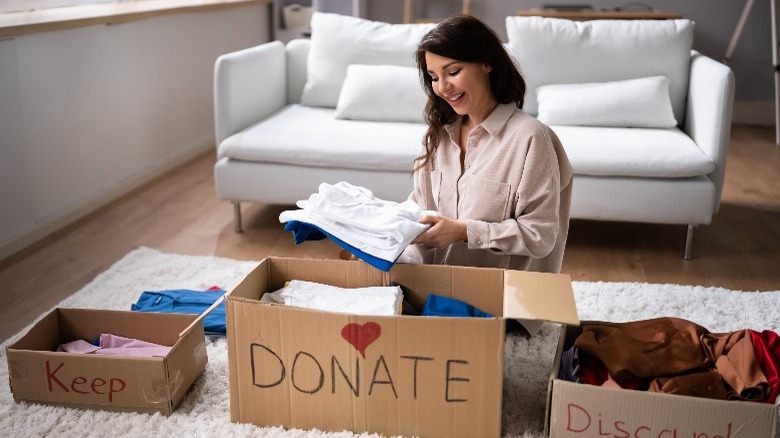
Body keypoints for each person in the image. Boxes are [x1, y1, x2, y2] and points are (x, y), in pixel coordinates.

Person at [399, 14, 574, 273]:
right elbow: (420, 215)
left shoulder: (531, 137)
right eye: (434, 77)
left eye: (453, 72)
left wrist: (464, 231)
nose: (443, 88)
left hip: (502, 301)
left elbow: (540, 235)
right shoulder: (437, 137)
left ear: (486, 63)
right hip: (433, 293)